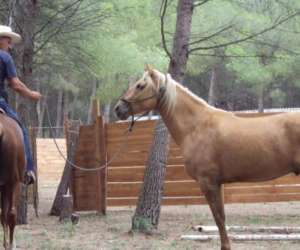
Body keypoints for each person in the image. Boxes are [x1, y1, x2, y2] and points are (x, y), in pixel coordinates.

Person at [0, 25, 42, 185]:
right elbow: (15, 84)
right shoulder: (4, 57)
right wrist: (33, 95)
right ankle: (27, 170)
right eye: (8, 40)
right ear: (1, 40)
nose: (10, 45)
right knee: (21, 130)